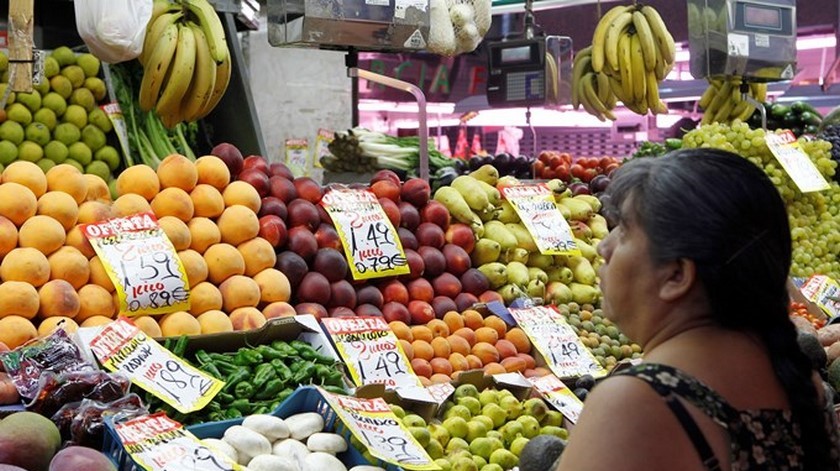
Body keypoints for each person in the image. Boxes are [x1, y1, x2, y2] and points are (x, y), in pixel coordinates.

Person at [553, 148, 840, 471]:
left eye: (625, 230)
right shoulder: (802, 385)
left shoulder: (635, 403)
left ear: (677, 275)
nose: (603, 247)